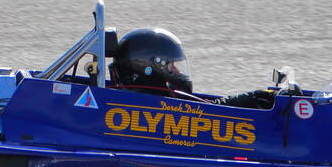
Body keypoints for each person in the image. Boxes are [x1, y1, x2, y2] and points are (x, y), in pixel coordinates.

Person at [111, 27, 279, 109]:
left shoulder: (135, 104)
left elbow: (209, 106)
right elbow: (209, 112)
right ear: (149, 69)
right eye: (171, 67)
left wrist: (253, 98)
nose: (177, 72)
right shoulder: (153, 110)